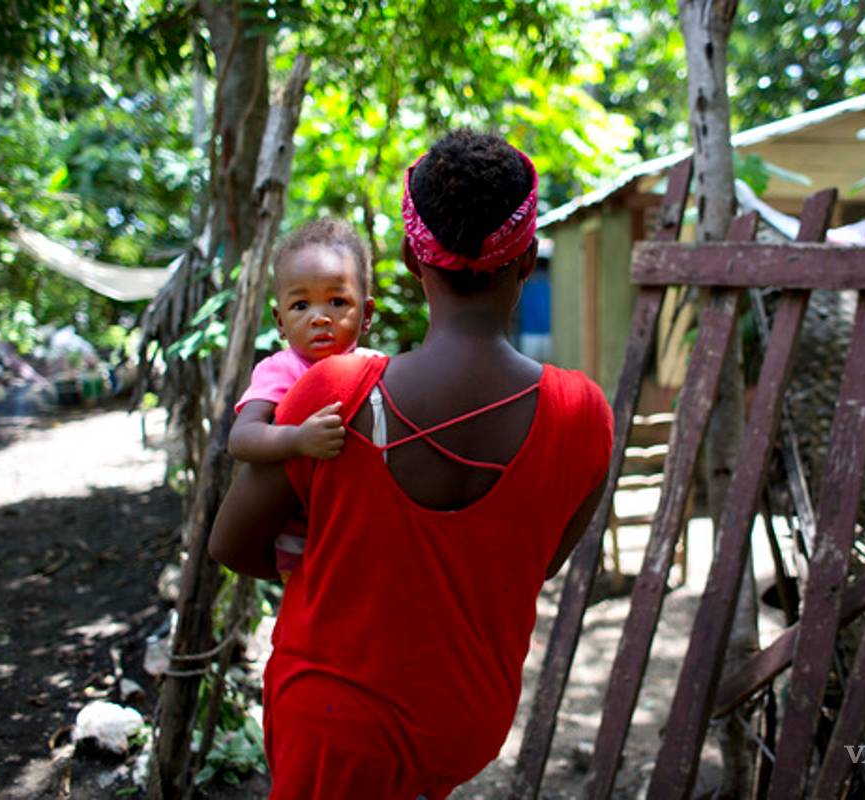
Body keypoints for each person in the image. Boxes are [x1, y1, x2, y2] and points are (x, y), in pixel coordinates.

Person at [209, 130, 613, 799]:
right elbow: (538, 562)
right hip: (466, 722)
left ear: (406, 261)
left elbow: (232, 543)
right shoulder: (582, 414)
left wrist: (344, 561)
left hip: (335, 724)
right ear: (527, 262)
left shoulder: (336, 394)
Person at [228, 219, 377, 579]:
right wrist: (298, 439)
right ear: (280, 321)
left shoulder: (375, 367)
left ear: (367, 314)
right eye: (300, 306)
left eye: (337, 301)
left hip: (362, 529)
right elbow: (241, 438)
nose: (319, 317)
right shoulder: (282, 370)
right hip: (301, 540)